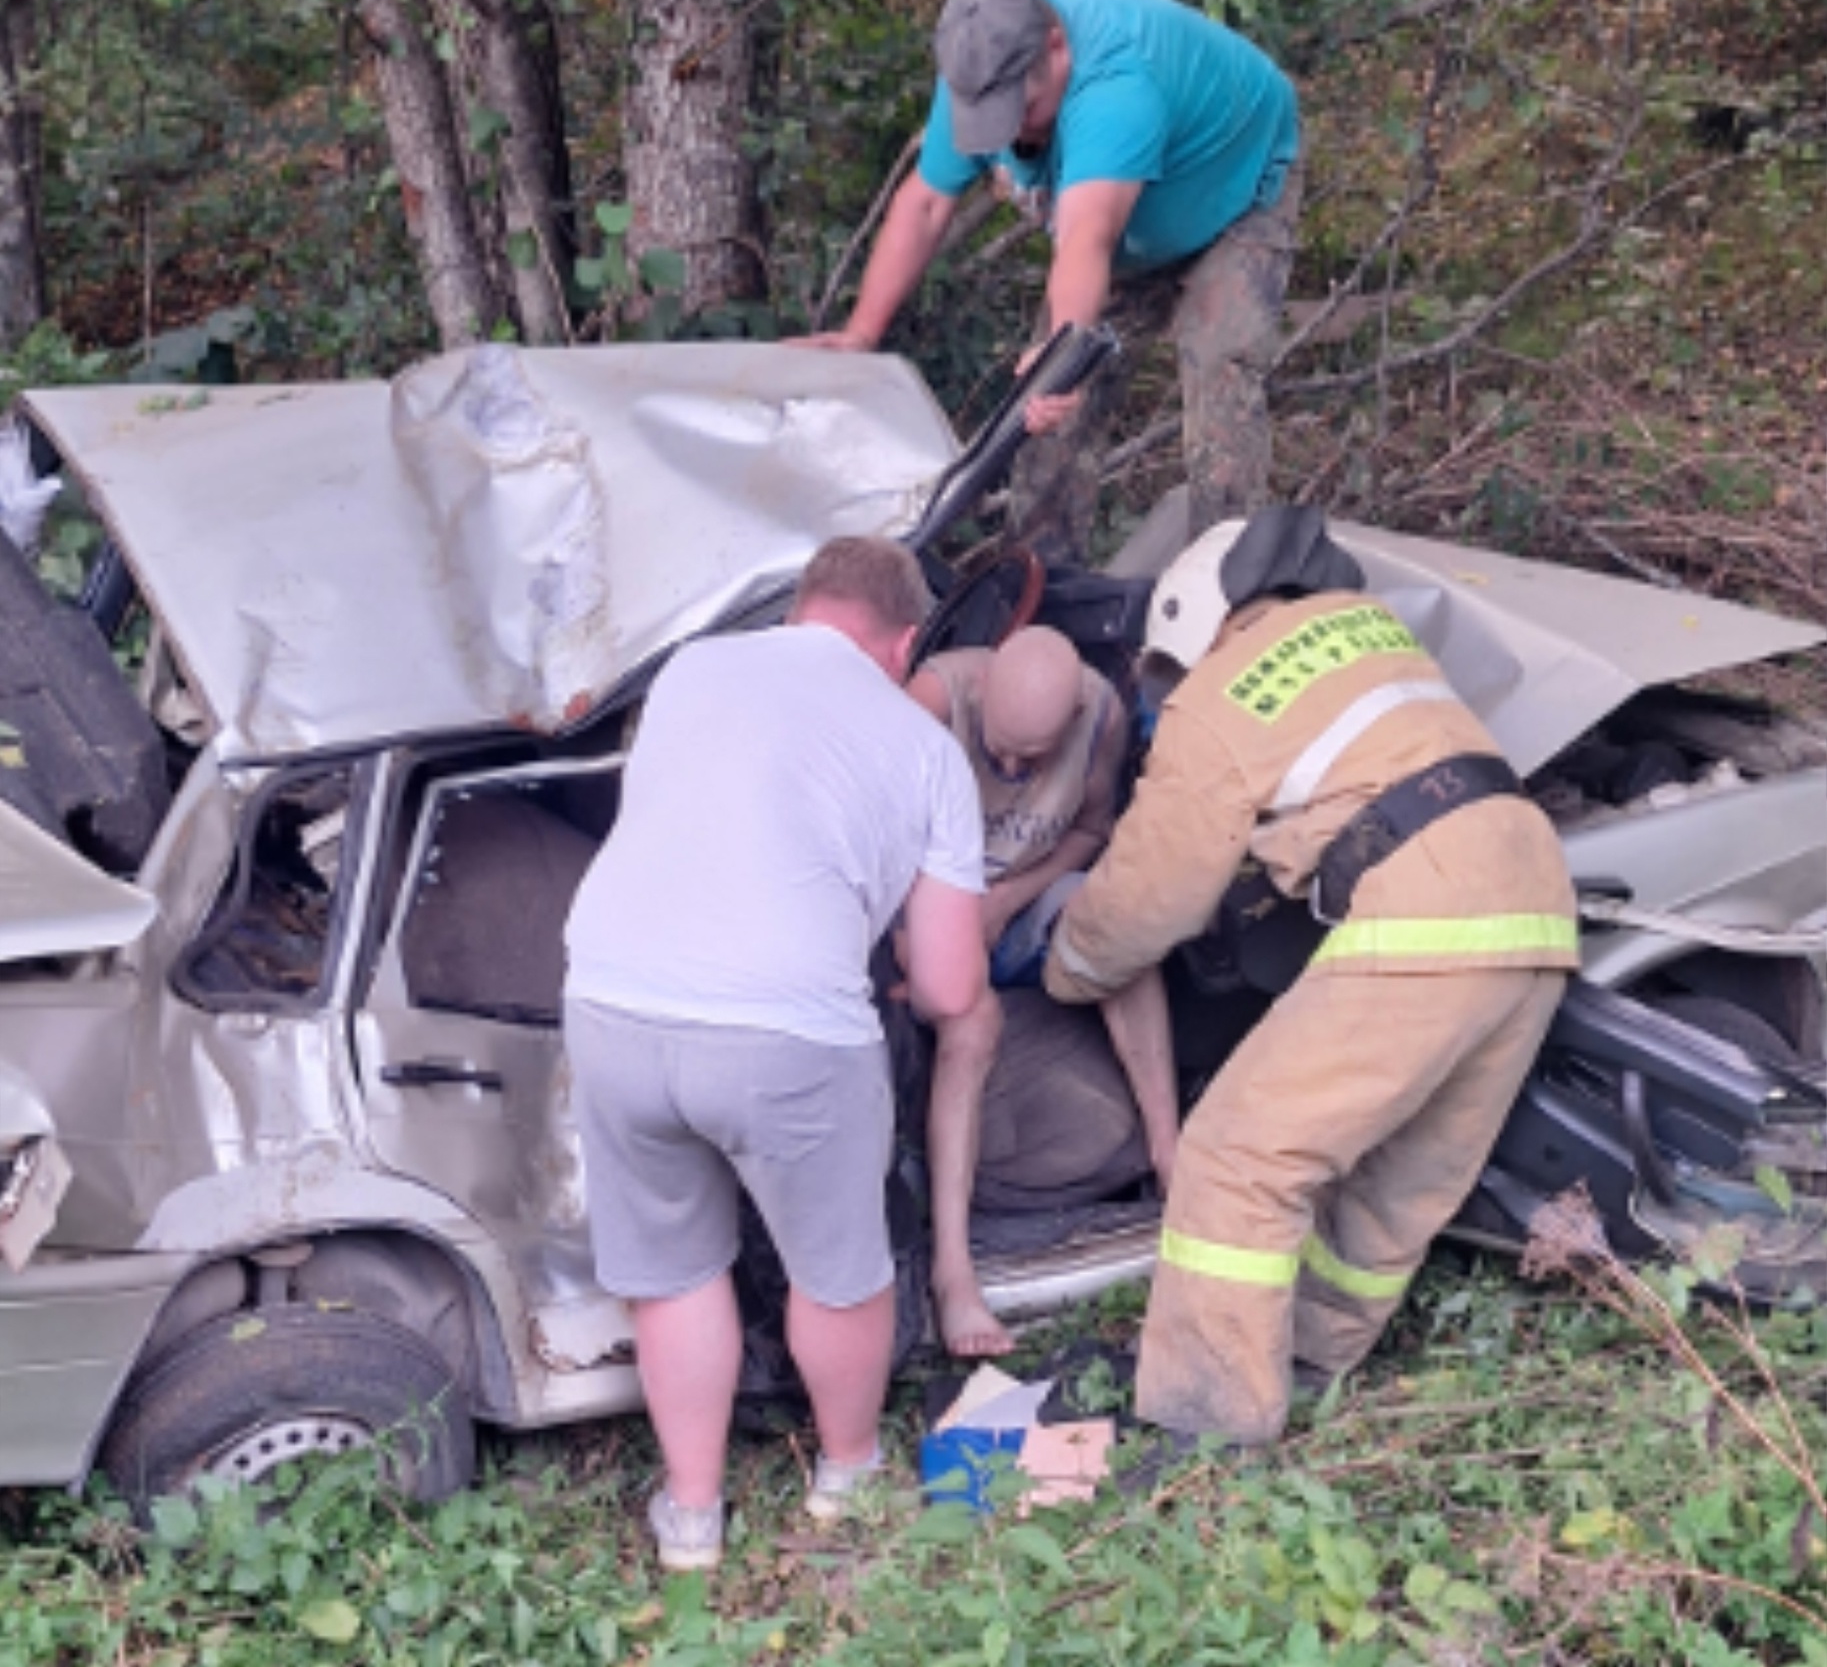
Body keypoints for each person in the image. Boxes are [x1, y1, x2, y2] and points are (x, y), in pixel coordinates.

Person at [1042, 506, 1578, 1445]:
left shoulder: (1219, 692)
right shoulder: (1369, 635)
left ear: (1187, 620)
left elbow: (1153, 893)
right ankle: (1308, 1357)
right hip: (1535, 900)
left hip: (1426, 908)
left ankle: (1206, 1426)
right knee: (1399, 1177)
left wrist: (1069, 964)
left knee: (1239, 1156)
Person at [563, 537, 986, 1572]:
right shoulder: (924, 747)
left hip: (612, 1001)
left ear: (802, 609)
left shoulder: (689, 667)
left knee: (671, 1272)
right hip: (788, 1030)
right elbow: (947, 989)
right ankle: (847, 1473)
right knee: (838, 1274)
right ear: (900, 644)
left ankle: (693, 1517)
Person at [800, 0, 1302, 562]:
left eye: (1024, 109)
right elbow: (927, 203)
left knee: (1219, 367)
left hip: (1233, 193)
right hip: (1119, 221)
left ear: (1057, 46)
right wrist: (862, 334)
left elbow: (1087, 237)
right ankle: (1037, 586)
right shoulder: (978, 59)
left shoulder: (1115, 88)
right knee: (1044, 409)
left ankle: (1232, 588)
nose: (1010, 130)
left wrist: (1062, 359)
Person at [907, 625, 1181, 1357]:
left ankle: (1168, 1156)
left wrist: (1006, 901)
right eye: (998, 746)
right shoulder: (934, 698)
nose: (1006, 765)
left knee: (1112, 921)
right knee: (973, 1029)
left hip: (1018, 908)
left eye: (1029, 758)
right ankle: (953, 1272)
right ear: (982, 686)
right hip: (924, 915)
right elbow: (864, 835)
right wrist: (925, 930)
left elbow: (1091, 830)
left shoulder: (1101, 717)